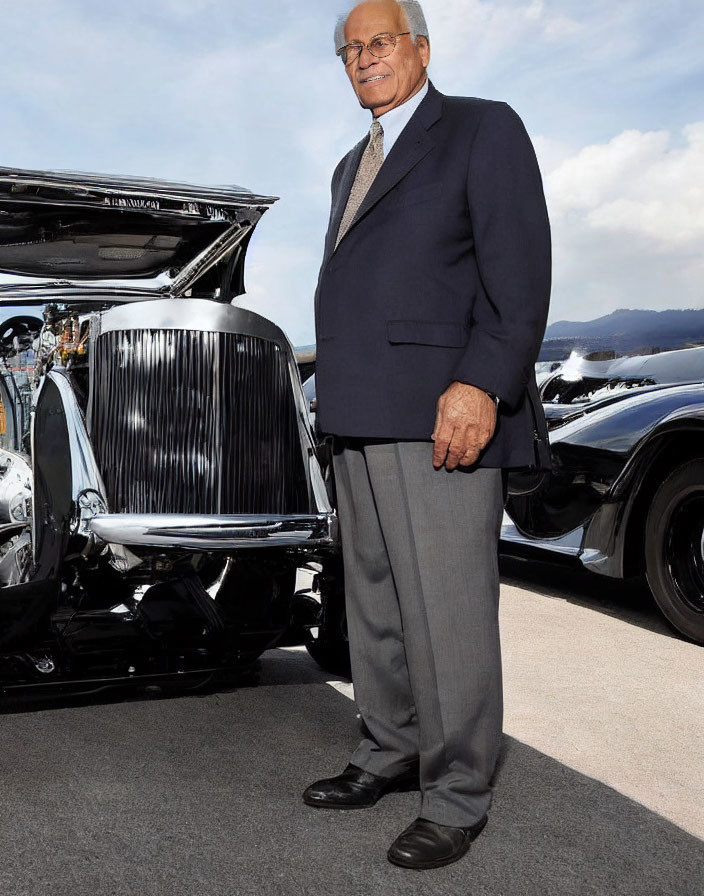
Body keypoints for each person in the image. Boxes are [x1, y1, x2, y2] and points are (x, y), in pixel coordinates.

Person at [303, 0, 551, 870]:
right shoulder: (349, 165)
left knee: (446, 612)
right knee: (373, 604)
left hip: (441, 412)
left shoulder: (482, 129)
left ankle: (457, 792)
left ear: (421, 49)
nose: (364, 58)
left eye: (379, 42)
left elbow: (518, 276)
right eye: (350, 50)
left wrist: (482, 382)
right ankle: (389, 747)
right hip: (357, 414)